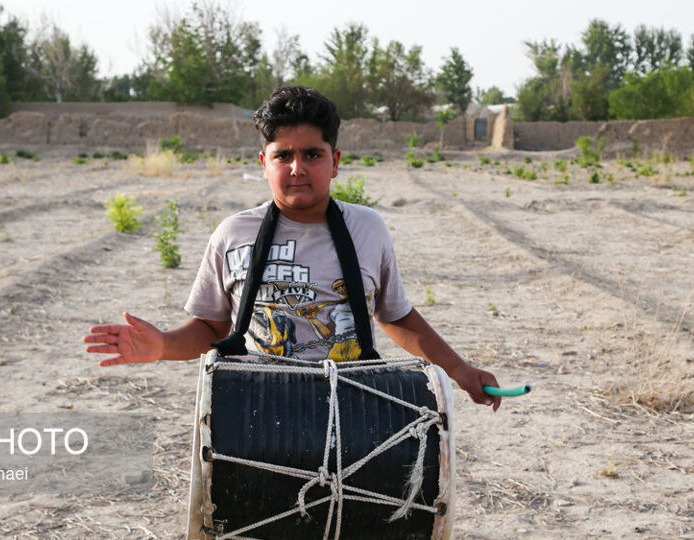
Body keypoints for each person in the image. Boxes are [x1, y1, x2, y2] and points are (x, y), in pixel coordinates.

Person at [84, 86, 502, 411]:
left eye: (312, 155)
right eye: (283, 155)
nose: (297, 168)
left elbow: (394, 315)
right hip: (254, 409)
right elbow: (212, 330)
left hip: (351, 407)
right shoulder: (232, 234)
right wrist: (161, 346)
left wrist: (459, 370)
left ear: (335, 162)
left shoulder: (368, 229)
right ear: (263, 163)